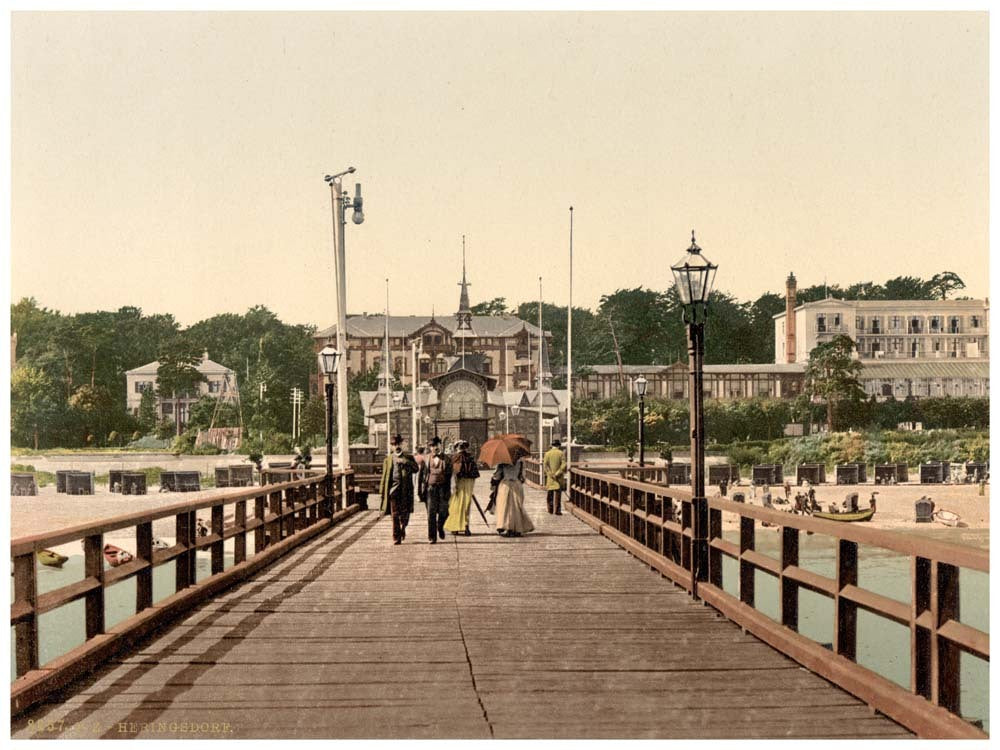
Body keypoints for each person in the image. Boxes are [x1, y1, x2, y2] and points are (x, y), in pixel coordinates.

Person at [379, 434, 419, 545]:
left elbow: (416, 469)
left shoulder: (409, 457)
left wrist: (406, 462)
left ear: (402, 444)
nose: (396, 446)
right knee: (395, 514)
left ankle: (403, 528)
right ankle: (396, 537)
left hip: (406, 491)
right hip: (393, 491)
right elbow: (385, 476)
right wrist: (382, 491)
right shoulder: (388, 459)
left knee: (405, 514)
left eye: (398, 444)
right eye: (393, 444)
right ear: (391, 446)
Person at [444, 440, 479, 536]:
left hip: (458, 484)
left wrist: (452, 486)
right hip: (468, 484)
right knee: (466, 505)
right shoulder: (470, 458)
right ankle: (466, 526)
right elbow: (474, 474)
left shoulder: (455, 458)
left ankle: (456, 527)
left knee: (455, 505)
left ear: (456, 448)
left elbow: (453, 474)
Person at [493, 457, 533, 537]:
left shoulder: (502, 461)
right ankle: (517, 528)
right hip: (516, 484)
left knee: (505, 507)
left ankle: (508, 527)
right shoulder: (521, 462)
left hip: (505, 485)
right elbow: (523, 476)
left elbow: (496, 475)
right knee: (516, 506)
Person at [425, 437, 451, 543]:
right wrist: (420, 491)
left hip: (443, 488)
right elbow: (423, 475)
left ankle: (440, 527)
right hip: (431, 489)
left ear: (440, 445)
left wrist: (451, 489)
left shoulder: (447, 459)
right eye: (431, 446)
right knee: (431, 513)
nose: (434, 448)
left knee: (444, 512)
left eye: (436, 445)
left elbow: (450, 475)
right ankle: (432, 537)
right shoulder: (426, 459)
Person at [543, 439, 566, 515]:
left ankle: (550, 509)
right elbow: (563, 465)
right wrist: (557, 473)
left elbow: (545, 466)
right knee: (558, 494)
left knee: (550, 494)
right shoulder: (561, 453)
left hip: (550, 477)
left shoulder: (547, 454)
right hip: (558, 477)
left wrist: (550, 474)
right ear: (558, 445)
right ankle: (557, 510)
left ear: (552, 446)